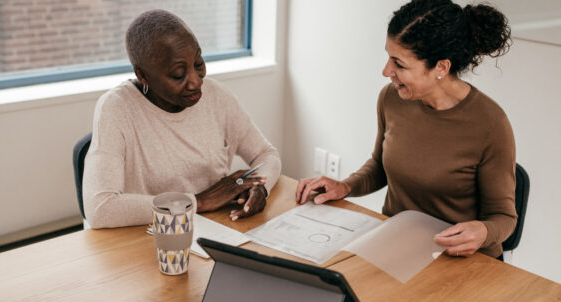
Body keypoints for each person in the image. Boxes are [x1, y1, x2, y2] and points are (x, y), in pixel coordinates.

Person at [296, 0, 515, 259]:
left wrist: (483, 232)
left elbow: (503, 218)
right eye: (388, 57)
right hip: (399, 247)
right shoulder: (392, 99)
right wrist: (345, 186)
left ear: (441, 68)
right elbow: (379, 166)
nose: (386, 71)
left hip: (460, 260)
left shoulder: (490, 124)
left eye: (399, 64)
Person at [83, 10, 281, 229]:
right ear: (143, 75)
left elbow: (266, 154)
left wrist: (259, 187)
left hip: (212, 230)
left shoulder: (218, 97)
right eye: (178, 74)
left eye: (198, 63)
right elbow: (100, 209)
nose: (195, 82)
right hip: (145, 238)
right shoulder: (117, 108)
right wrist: (199, 201)